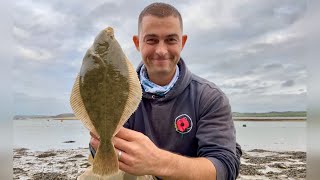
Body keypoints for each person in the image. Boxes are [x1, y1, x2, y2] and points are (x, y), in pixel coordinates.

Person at [90, 2, 242, 180]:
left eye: (171, 40)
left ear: (182, 42)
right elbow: (102, 153)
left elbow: (224, 168)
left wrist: (158, 162)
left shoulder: (209, 97)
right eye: (151, 40)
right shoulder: (119, 95)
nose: (161, 51)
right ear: (137, 43)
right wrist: (99, 139)